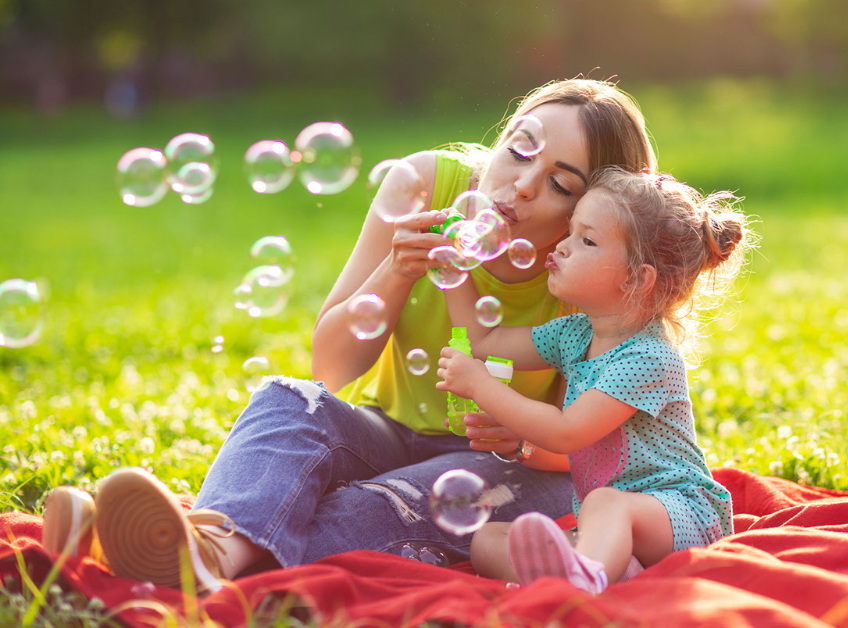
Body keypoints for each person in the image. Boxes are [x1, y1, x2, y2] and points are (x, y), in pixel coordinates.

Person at [39, 78, 657, 593]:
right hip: (387, 431)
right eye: (521, 150)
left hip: (512, 469)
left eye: (561, 185)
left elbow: (600, 450)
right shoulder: (427, 185)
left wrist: (524, 437)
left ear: (595, 210)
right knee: (289, 400)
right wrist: (397, 269)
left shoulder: (593, 272)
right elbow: (331, 368)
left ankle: (172, 548)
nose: (521, 184)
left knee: (388, 503)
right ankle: (206, 550)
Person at [435, 167, 752, 593]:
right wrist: (449, 263)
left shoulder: (650, 357)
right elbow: (484, 338)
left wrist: (481, 387)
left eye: (586, 240)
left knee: (605, 503)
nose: (562, 247)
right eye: (570, 231)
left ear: (636, 279)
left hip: (684, 515)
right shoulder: (575, 333)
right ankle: (606, 572)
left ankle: (582, 583)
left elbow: (567, 433)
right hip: (607, 526)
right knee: (487, 540)